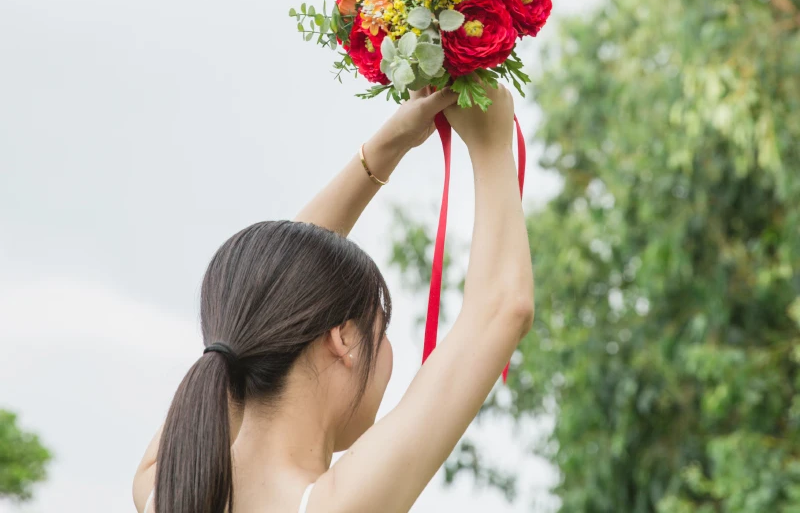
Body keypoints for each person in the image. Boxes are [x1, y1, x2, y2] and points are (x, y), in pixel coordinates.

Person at [132, 83, 534, 513]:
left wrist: (388, 146)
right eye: (383, 329)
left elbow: (262, 301)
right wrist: (492, 144)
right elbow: (501, 309)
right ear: (341, 338)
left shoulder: (165, 490)